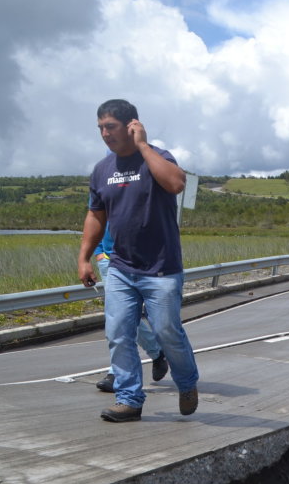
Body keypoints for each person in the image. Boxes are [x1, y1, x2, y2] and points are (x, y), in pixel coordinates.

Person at [78, 99, 200, 423]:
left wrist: (143, 146)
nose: (104, 134)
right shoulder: (102, 170)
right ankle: (129, 398)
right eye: (100, 128)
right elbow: (95, 215)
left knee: (166, 331)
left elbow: (176, 184)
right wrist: (84, 258)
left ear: (132, 125)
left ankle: (187, 383)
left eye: (111, 127)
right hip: (121, 267)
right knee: (118, 332)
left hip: (161, 268)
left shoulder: (158, 157)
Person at [94, 222, 168, 393]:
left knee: (122, 317)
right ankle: (156, 353)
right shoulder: (103, 194)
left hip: (137, 261)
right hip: (108, 261)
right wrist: (98, 252)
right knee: (120, 316)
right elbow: (97, 218)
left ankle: (117, 374)